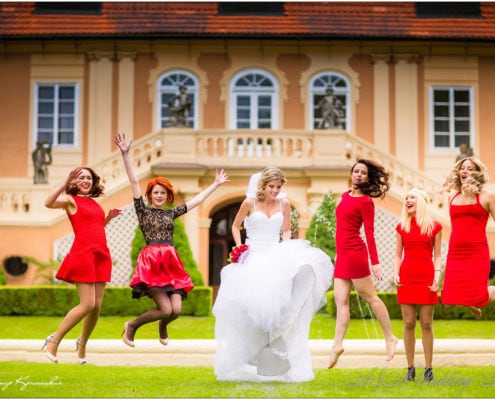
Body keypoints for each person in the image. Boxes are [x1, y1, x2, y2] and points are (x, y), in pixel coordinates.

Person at [213, 166, 334, 382]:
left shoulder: (284, 203)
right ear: (263, 185)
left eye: (279, 187)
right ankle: (248, 356)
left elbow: (286, 230)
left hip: (275, 253)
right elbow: (234, 226)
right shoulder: (250, 202)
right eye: (272, 186)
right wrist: (240, 247)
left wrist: (285, 248)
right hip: (253, 255)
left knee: (281, 308)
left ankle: (280, 358)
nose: (276, 190)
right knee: (251, 310)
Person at [114, 133, 228, 347]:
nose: (159, 195)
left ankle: (162, 325)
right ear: (150, 195)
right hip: (152, 263)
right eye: (156, 192)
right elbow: (133, 180)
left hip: (171, 263)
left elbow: (196, 200)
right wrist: (126, 154)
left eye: (163, 193)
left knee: (175, 311)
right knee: (165, 308)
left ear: (168, 196)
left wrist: (215, 184)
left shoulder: (171, 213)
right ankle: (132, 326)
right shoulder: (143, 211)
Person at [42, 167, 122, 364]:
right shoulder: (70, 200)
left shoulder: (94, 203)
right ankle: (54, 340)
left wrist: (108, 219)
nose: (86, 181)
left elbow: (93, 228)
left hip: (100, 254)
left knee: (97, 307)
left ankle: (82, 344)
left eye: (89, 178)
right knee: (87, 304)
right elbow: (48, 202)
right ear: (74, 182)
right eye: (81, 178)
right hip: (83, 254)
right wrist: (65, 181)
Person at [329, 159, 398, 369]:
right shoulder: (344, 196)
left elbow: (369, 233)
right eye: (356, 171)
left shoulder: (366, 202)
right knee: (341, 300)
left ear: (368, 178)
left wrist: (375, 263)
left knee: (369, 297)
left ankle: (390, 337)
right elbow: (340, 227)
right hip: (342, 256)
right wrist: (337, 253)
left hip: (356, 254)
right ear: (351, 174)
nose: (359, 175)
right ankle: (337, 345)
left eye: (363, 173)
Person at [393, 188, 443, 382]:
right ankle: (410, 368)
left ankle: (429, 369)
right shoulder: (401, 226)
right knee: (408, 323)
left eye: (411, 197)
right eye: (406, 198)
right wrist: (396, 273)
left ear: (421, 201)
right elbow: (398, 254)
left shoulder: (435, 227)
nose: (407, 200)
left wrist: (436, 276)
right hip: (407, 277)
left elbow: (438, 255)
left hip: (427, 276)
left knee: (426, 323)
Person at [441, 157, 495, 319]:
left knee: (480, 297)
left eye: (470, 168)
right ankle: (474, 304)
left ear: (478, 173)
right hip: (456, 250)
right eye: (463, 168)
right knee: (449, 299)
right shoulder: (452, 195)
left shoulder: (487, 196)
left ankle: (483, 298)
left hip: (477, 251)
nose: (465, 171)